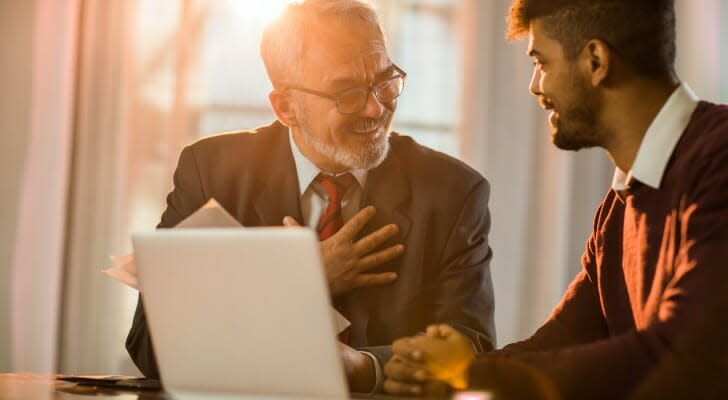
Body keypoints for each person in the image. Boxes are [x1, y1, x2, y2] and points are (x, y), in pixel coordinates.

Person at [126, 0, 496, 393]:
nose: (376, 107)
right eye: (348, 92)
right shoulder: (211, 172)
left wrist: (365, 367)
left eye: (386, 81)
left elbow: (472, 349)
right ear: (286, 107)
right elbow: (151, 345)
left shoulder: (453, 191)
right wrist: (296, 280)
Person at [382, 0, 728, 399]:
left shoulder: (720, 161)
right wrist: (458, 371)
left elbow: (681, 351)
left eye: (541, 63)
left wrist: (470, 374)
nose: (535, 86)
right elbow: (564, 339)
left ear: (596, 61)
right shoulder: (618, 206)